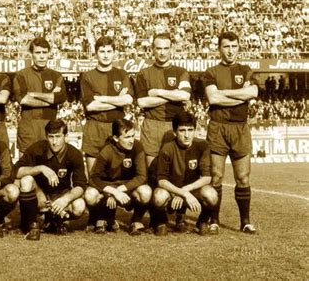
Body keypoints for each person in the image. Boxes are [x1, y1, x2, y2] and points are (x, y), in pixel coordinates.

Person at [203, 31, 258, 234]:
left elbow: (253, 92)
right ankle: (214, 220)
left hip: (240, 127)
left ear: (238, 48)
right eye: (226, 46)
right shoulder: (211, 72)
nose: (230, 50)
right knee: (216, 177)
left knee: (243, 178)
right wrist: (240, 96)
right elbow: (213, 99)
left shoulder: (246, 70)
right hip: (218, 127)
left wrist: (223, 93)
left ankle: (245, 221)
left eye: (234, 46)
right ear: (219, 48)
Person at [80, 36, 134, 231]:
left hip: (116, 128)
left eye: (109, 51)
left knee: (112, 175)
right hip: (95, 127)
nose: (105, 55)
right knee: (94, 176)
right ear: (96, 53)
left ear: (114, 53)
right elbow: (90, 105)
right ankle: (96, 218)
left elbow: (127, 99)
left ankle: (109, 217)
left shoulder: (122, 73)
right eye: (101, 51)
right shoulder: (87, 76)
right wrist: (115, 100)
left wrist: (102, 98)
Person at [15, 119, 87, 240]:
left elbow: (80, 185)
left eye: (58, 137)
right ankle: (32, 224)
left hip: (61, 195)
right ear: (46, 136)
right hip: (40, 196)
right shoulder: (37, 149)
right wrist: (40, 168)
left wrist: (65, 199)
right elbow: (16, 171)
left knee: (79, 206)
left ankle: (55, 219)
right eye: (51, 137)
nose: (54, 142)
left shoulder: (74, 154)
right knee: (26, 180)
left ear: (66, 136)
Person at [151, 111, 218, 236]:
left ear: (195, 130)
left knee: (211, 195)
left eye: (190, 130)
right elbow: (161, 181)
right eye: (182, 131)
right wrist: (181, 193)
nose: (187, 135)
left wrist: (186, 191)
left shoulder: (202, 145)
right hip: (172, 191)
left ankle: (202, 222)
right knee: (159, 196)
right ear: (175, 132)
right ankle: (162, 222)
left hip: (192, 191)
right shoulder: (167, 148)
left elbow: (207, 177)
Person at [85, 119, 150, 235]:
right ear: (116, 138)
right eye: (127, 137)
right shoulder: (107, 150)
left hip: (127, 187)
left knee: (146, 192)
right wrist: (111, 192)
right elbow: (93, 178)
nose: (131, 141)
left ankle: (136, 220)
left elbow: (142, 176)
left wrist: (119, 190)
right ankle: (98, 218)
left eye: (133, 136)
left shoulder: (138, 146)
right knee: (90, 195)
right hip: (109, 186)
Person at [135, 33, 191, 167]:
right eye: (159, 48)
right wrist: (173, 95)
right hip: (151, 125)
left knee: (176, 171)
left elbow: (185, 96)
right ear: (152, 50)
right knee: (151, 171)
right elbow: (142, 102)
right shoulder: (144, 73)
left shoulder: (181, 72)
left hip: (174, 125)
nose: (162, 52)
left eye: (166, 48)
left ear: (171, 49)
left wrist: (157, 92)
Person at [13, 37, 67, 155]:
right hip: (29, 126)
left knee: (51, 167)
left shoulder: (56, 76)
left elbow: (60, 98)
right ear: (31, 54)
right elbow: (22, 99)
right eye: (38, 53)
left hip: (50, 126)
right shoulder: (21, 75)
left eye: (44, 52)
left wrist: (33, 94)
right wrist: (51, 99)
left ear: (49, 53)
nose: (41, 56)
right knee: (26, 167)